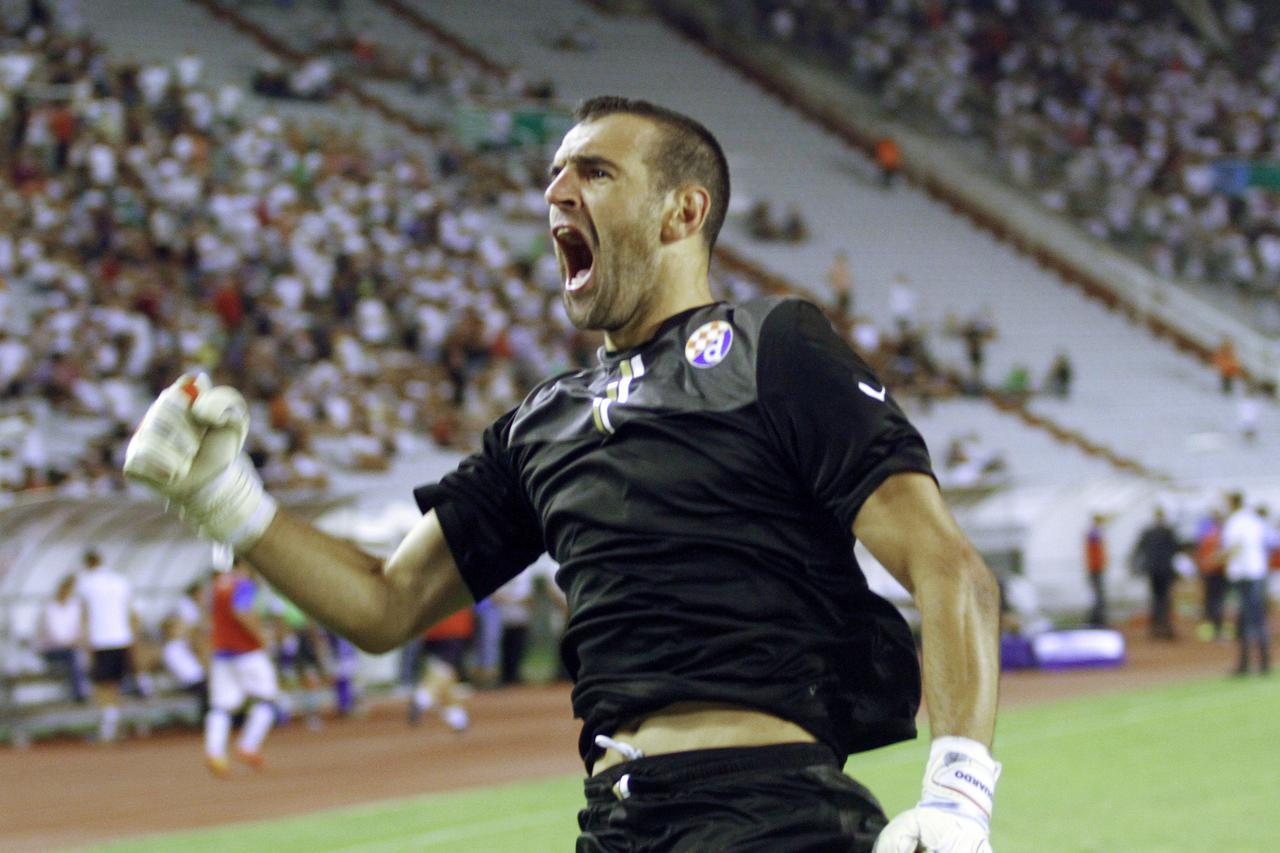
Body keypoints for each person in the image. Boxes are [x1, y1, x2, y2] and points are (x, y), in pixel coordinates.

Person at [123, 96, 1001, 853]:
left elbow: (946, 564)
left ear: (681, 213)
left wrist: (959, 792)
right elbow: (386, 603)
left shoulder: (773, 347)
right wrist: (229, 501)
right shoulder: (541, 421)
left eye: (595, 171)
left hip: (768, 812)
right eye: (553, 173)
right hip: (614, 820)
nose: (555, 192)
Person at [205, 558, 281, 776]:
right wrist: (262, 636)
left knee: (221, 706)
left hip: (222, 652)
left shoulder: (216, 586)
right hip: (247, 652)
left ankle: (215, 752)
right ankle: (248, 746)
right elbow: (241, 611)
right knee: (267, 699)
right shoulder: (243, 584)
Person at [75, 548, 138, 743]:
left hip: (101, 639)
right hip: (122, 637)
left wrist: (85, 640)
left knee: (102, 684)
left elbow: (84, 614)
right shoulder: (120, 581)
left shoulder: (86, 583)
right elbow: (131, 612)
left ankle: (107, 727)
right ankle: (113, 722)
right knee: (116, 683)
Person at [1221, 491, 1271, 675]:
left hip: (1244, 575)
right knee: (1258, 619)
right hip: (1258, 573)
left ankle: (1245, 664)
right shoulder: (1255, 521)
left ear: (1232, 502)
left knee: (1245, 620)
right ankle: (1264, 662)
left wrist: (1217, 559)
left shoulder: (1235, 522)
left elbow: (1235, 547)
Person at [37, 575, 89, 704]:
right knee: (73, 655)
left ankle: (82, 690)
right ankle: (79, 692)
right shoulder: (50, 607)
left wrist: (77, 640)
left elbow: (80, 631)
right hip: (52, 649)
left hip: (71, 648)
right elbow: (49, 633)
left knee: (77, 654)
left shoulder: (74, 607)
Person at [1131, 507, 1181, 639]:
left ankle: (1156, 628)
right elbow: (1176, 549)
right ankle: (1165, 627)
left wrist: (1135, 565)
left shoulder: (1148, 532)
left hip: (1153, 570)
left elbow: (1138, 549)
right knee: (1164, 599)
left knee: (1156, 598)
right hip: (1164, 570)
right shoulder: (1168, 532)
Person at [1195, 509, 1228, 642]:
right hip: (1218, 572)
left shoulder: (1206, 535)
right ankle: (1216, 630)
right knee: (1217, 601)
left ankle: (1210, 629)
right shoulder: (1222, 537)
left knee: (1210, 601)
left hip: (1208, 572)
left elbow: (1201, 554)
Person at [1084, 513, 1109, 627]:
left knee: (1098, 596)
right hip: (1095, 568)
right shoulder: (1094, 533)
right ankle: (1097, 621)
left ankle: (1097, 620)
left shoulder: (1094, 533)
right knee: (1098, 596)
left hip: (1096, 568)